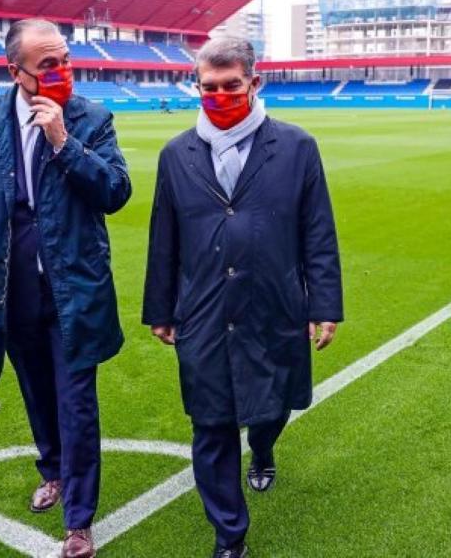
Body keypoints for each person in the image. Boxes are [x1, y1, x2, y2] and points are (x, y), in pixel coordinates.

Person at [0, 18, 131, 558]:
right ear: (16, 72)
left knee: (76, 401)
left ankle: (78, 519)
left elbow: (116, 191)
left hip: (75, 289)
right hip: (10, 289)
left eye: (66, 61)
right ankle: (53, 469)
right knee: (36, 388)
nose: (62, 73)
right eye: (48, 65)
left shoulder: (91, 119)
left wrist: (62, 140)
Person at [142, 36, 343, 558]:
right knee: (210, 423)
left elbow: (317, 230)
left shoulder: (297, 147)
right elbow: (163, 235)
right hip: (204, 310)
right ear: (197, 87)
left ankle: (265, 447)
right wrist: (160, 308)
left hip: (273, 305)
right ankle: (230, 536)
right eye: (209, 87)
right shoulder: (175, 154)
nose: (220, 95)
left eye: (232, 85)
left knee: (270, 408)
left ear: (255, 83)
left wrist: (323, 304)